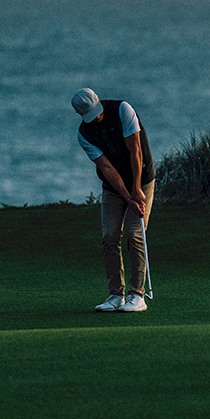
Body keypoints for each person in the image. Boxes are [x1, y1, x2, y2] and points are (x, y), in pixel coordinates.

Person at [71, 88, 156, 313]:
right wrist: (127, 197)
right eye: (91, 115)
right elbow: (107, 168)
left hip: (142, 179)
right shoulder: (84, 135)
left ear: (99, 102)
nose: (97, 117)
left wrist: (136, 189)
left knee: (134, 234)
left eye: (97, 111)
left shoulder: (123, 110)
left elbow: (135, 151)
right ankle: (116, 295)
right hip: (113, 186)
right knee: (109, 236)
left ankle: (137, 295)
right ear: (80, 115)